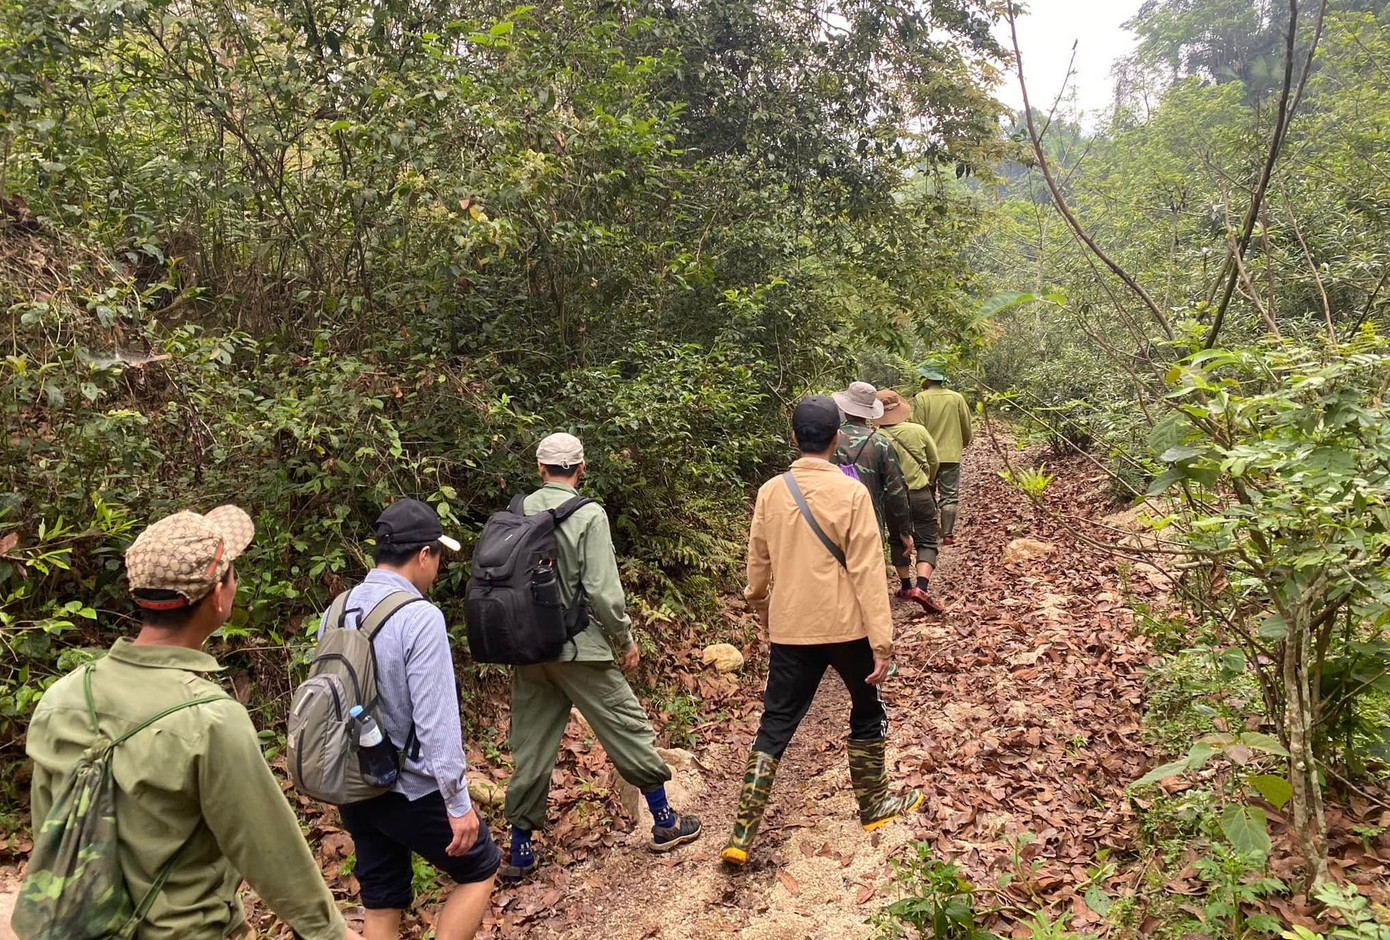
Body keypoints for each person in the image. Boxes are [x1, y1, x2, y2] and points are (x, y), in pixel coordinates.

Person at [23, 505, 365, 940]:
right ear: (218, 596)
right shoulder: (211, 719)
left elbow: (49, 828)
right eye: (231, 573)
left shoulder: (64, 699)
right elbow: (270, 852)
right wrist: (331, 932)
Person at [721, 397, 923, 867]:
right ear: (836, 438)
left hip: (793, 626)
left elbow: (757, 562)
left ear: (795, 438)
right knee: (867, 708)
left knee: (776, 722)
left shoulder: (772, 491)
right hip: (848, 626)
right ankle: (873, 804)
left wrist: (761, 604)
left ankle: (742, 833)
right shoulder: (852, 494)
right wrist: (883, 641)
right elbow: (869, 572)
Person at [502, 432, 701, 881]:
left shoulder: (517, 512)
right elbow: (603, 592)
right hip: (579, 649)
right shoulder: (588, 514)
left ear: (539, 469)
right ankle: (665, 822)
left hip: (527, 649)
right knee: (626, 727)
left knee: (531, 747)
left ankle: (520, 851)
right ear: (581, 468)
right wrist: (625, 638)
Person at [322, 499, 498, 940]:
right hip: (409, 787)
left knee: (383, 899)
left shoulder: (337, 608)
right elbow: (436, 720)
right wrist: (459, 804)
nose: (437, 567)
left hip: (355, 783)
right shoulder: (420, 617)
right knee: (480, 866)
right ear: (424, 554)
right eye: (438, 556)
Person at [875, 389, 945, 613]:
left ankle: (905, 586)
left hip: (890, 498)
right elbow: (934, 461)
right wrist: (929, 480)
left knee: (896, 539)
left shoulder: (876, 438)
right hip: (919, 493)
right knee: (927, 539)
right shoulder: (918, 431)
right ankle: (921, 587)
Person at [832, 381, 914, 565]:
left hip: (831, 522)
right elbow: (897, 491)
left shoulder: (830, 440)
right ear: (869, 412)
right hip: (868, 523)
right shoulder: (881, 443)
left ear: (845, 409)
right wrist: (904, 530)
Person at [910, 365, 973, 545]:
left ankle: (930, 530)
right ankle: (947, 534)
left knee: (928, 490)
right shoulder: (956, 398)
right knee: (950, 494)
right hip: (951, 454)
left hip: (929, 456)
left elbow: (918, 427)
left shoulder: (921, 399)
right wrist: (964, 442)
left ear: (927, 380)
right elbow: (966, 425)